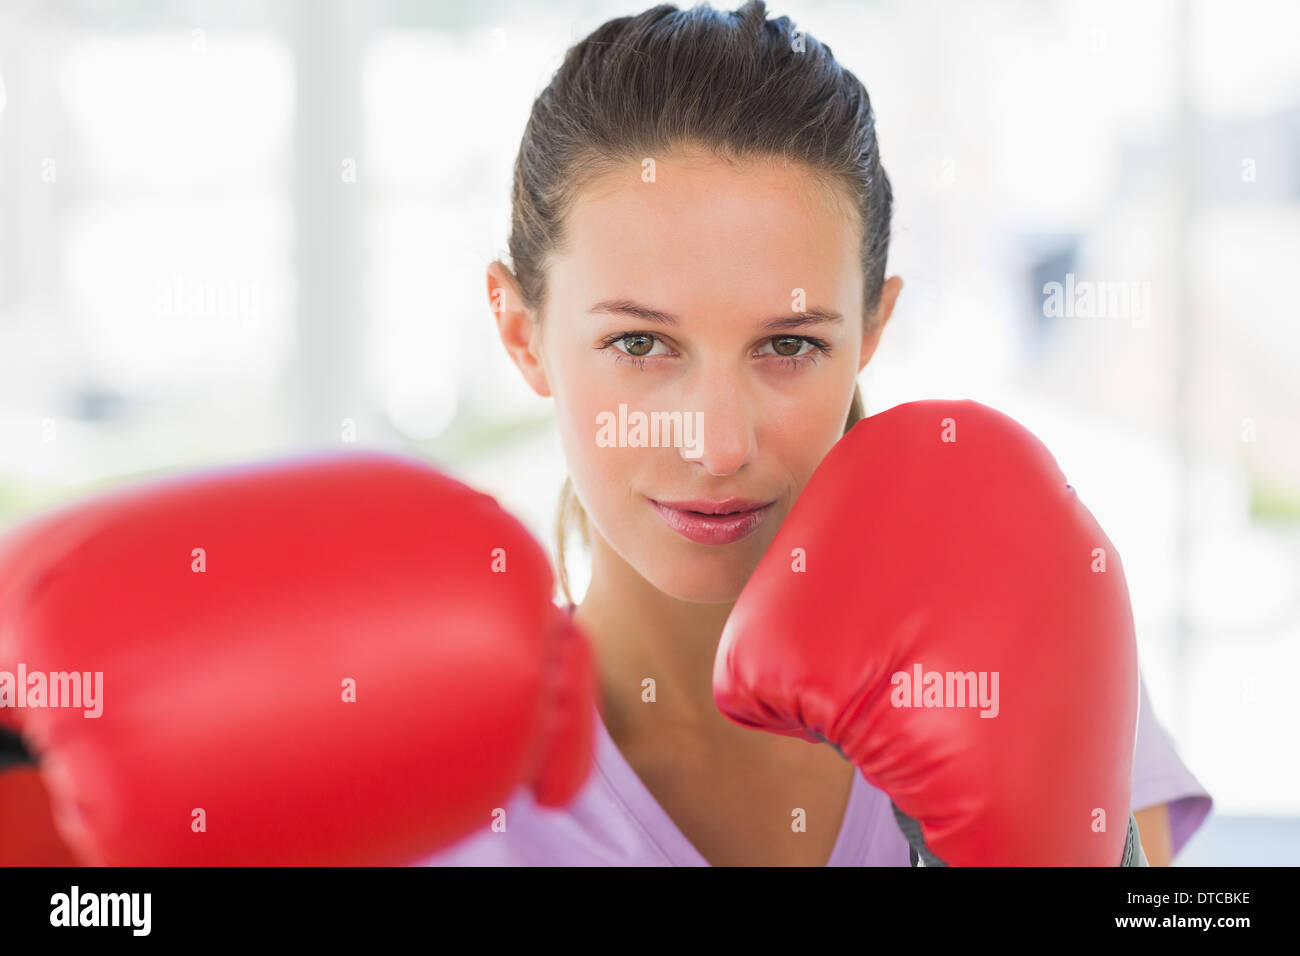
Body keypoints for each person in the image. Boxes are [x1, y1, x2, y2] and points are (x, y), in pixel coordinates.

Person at [421, 0, 1211, 866]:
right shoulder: (444, 778)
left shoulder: (1026, 667)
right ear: (521, 333)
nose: (719, 446)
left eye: (789, 345)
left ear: (872, 330)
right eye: (639, 343)